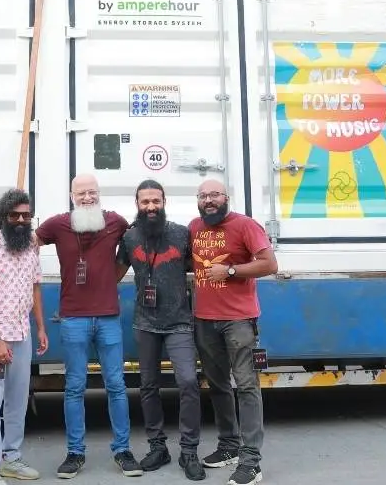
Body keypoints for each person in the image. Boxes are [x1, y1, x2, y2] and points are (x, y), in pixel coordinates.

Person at [35, 173, 143, 479]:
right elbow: (27, 242)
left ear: (99, 194)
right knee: (74, 388)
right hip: (73, 318)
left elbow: (137, 241)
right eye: (81, 193)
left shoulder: (116, 222)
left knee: (117, 386)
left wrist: (114, 277)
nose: (87, 197)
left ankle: (122, 450)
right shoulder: (57, 224)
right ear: (72, 196)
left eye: (92, 192)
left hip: (108, 316)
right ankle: (75, 453)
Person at [189, 179, 278, 485]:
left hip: (239, 320)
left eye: (214, 195)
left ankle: (251, 461)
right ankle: (229, 446)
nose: (208, 200)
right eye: (203, 196)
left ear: (226, 197)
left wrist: (230, 270)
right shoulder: (194, 227)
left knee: (247, 386)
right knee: (217, 385)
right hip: (204, 319)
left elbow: (269, 264)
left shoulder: (245, 225)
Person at [116, 180, 206, 481]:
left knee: (189, 382)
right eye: (145, 202)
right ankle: (158, 447)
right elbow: (113, 274)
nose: (151, 207)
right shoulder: (128, 238)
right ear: (137, 204)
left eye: (156, 201)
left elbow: (202, 268)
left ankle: (189, 450)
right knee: (148, 386)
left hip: (179, 321)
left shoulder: (182, 234)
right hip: (145, 322)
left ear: (164, 201)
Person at [0, 188, 49, 485]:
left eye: (25, 215)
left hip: (23, 334)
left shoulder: (31, 248)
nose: (20, 220)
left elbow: (36, 288)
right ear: (2, 217)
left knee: (17, 401)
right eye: (14, 215)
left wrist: (40, 327)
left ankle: (11, 458)